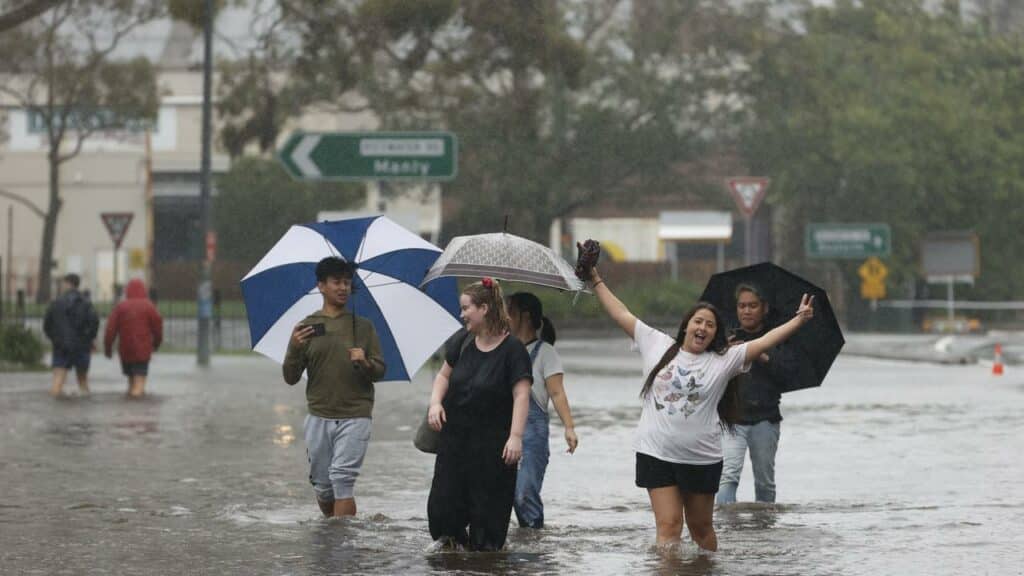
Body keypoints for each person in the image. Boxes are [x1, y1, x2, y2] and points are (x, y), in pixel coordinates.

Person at [584, 263, 813, 552]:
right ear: (687, 325)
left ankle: (706, 568)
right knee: (668, 527)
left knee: (701, 530)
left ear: (715, 333)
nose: (702, 327)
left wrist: (799, 320)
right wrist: (595, 279)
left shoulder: (724, 360)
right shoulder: (656, 344)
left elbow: (765, 340)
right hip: (656, 453)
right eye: (698, 321)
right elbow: (621, 313)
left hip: (701, 458)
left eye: (710, 324)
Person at [426, 278, 533, 551]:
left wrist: (516, 437)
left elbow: (522, 395)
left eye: (466, 308)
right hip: (454, 445)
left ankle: (486, 561)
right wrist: (435, 404)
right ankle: (452, 557)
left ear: (484, 308)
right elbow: (442, 376)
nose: (462, 315)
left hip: (493, 450)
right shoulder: (462, 342)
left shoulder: (514, 351)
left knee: (487, 523)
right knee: (443, 508)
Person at [283, 257, 386, 518]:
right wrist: (294, 348)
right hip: (319, 415)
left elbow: (380, 370)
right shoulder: (306, 328)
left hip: (356, 415)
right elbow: (291, 377)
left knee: (342, 480)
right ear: (321, 286)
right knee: (324, 487)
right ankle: (330, 538)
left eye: (347, 282)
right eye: (336, 282)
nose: (343, 288)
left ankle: (342, 549)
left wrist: (365, 362)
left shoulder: (363, 327)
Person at [717, 283, 796, 505]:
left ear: (764, 308)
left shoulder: (778, 337)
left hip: (766, 419)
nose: (747, 311)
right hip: (731, 419)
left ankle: (764, 529)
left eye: (752, 306)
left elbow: (788, 374)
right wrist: (724, 353)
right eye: (742, 306)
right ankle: (725, 527)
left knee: (764, 481)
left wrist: (760, 353)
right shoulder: (725, 338)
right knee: (728, 475)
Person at [506, 291, 578, 529]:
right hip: (504, 432)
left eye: (510, 312)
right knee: (506, 496)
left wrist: (569, 427)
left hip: (533, 435)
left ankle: (535, 548)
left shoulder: (546, 353)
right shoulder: (507, 349)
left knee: (524, 494)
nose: (505, 317)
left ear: (524, 316)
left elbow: (557, 393)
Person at [103, 278, 163, 398]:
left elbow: (110, 330)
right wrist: (155, 345)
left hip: (125, 350)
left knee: (131, 382)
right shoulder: (149, 306)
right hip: (142, 350)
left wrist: (108, 349)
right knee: (139, 382)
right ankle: (136, 412)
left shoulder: (120, 307)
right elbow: (158, 329)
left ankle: (128, 407)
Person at [43, 273, 99, 397]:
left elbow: (47, 325)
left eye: (63, 283)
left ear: (68, 283)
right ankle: (85, 412)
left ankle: (55, 412)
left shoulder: (56, 303)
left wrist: (56, 339)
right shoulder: (86, 303)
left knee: (57, 382)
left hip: (61, 347)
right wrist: (88, 340)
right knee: (83, 382)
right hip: (82, 347)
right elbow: (94, 323)